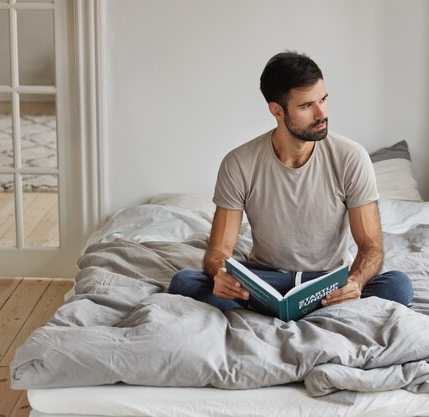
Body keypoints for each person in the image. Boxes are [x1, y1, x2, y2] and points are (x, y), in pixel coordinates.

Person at [169, 51, 413, 314]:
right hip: (264, 279)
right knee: (183, 281)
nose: (321, 113)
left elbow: (371, 246)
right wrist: (221, 275)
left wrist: (354, 282)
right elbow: (219, 250)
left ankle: (274, 310)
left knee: (398, 286)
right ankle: (286, 307)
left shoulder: (352, 158)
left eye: (323, 100)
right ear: (277, 110)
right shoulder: (239, 163)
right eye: (306, 106)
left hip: (328, 280)